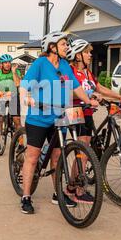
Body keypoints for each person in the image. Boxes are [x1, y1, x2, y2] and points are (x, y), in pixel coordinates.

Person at [19, 32, 99, 214]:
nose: (67, 47)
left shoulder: (64, 65)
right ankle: (26, 196)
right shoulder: (40, 63)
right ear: (52, 47)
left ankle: (57, 194)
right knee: (32, 158)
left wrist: (87, 100)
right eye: (63, 44)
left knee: (57, 158)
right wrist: (26, 99)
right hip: (38, 117)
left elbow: (76, 86)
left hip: (59, 117)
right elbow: (25, 85)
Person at [66, 39, 121, 202]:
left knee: (86, 151)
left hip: (88, 113)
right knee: (83, 151)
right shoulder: (70, 71)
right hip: (75, 112)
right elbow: (65, 93)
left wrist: (118, 96)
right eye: (87, 52)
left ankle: (75, 185)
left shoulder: (87, 72)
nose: (90, 55)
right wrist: (87, 96)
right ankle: (74, 188)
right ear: (78, 55)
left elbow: (99, 88)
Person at [0, 54, 22, 151]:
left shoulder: (15, 71)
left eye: (9, 62)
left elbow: (18, 83)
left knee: (16, 119)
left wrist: (14, 72)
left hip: (13, 96)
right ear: (1, 64)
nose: (8, 64)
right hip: (2, 96)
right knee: (0, 119)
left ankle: (21, 143)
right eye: (5, 62)